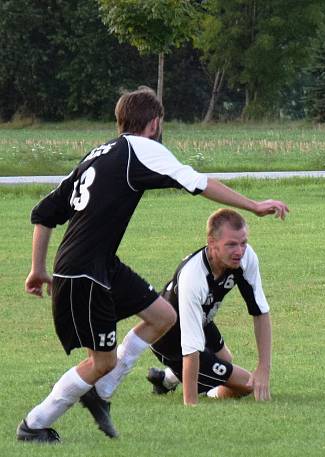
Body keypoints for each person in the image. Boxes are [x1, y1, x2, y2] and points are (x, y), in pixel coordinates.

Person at [18, 87, 288, 443]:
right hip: (85, 271)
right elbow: (197, 181)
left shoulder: (100, 153)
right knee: (101, 362)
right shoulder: (142, 148)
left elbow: (45, 212)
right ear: (155, 123)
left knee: (163, 316)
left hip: (100, 264)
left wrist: (38, 267)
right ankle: (34, 424)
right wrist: (253, 205)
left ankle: (101, 393)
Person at [146, 208, 272, 405]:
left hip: (201, 320)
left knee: (226, 359)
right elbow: (190, 348)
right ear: (212, 243)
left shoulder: (246, 258)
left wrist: (264, 369)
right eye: (231, 244)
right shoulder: (194, 277)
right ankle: (208, 391)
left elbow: (260, 311)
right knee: (247, 384)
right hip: (169, 339)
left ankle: (166, 380)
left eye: (243, 243)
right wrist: (191, 403)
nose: (239, 251)